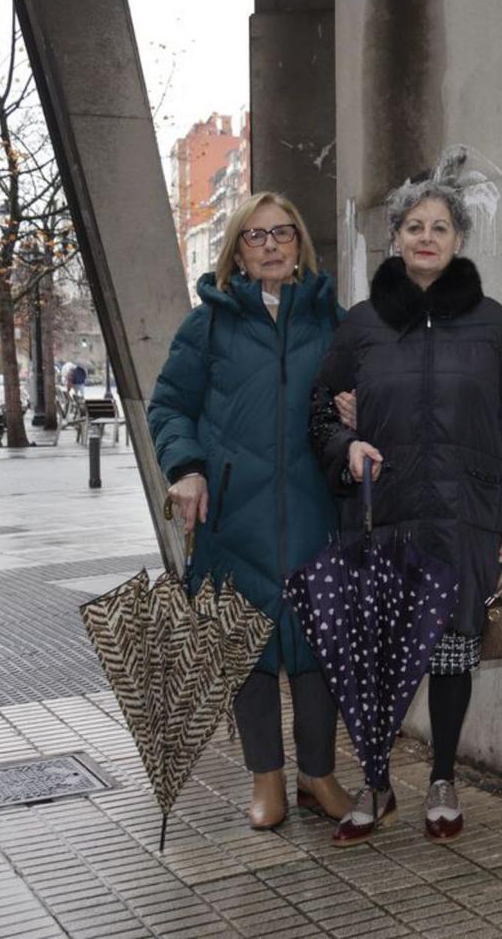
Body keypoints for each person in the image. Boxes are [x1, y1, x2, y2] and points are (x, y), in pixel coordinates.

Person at [310, 149, 502, 845]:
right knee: (382, 658)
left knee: (449, 654)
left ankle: (442, 776)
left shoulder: (492, 324)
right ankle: (378, 782)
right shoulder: (361, 325)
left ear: (459, 239)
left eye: (440, 226)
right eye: (414, 225)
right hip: (380, 518)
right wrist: (344, 444)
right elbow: (320, 411)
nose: (425, 237)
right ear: (395, 237)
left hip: (463, 519)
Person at [148, 191, 355, 831]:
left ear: (300, 246)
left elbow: (374, 400)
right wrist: (186, 469)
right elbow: (170, 408)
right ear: (237, 250)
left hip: (318, 512)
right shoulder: (206, 324)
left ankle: (317, 775)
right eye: (255, 236)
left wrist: (361, 410)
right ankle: (267, 778)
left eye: (282, 234)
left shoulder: (333, 320)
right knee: (247, 651)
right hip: (235, 519)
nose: (270, 246)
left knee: (320, 651)